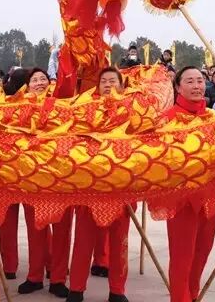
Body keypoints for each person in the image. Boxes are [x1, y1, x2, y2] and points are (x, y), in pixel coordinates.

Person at [67, 67, 131, 302]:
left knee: (119, 242)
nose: (108, 84)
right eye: (103, 81)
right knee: (83, 240)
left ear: (121, 86)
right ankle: (76, 289)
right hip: (90, 187)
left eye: (113, 80)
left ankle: (117, 291)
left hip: (120, 188)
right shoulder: (86, 109)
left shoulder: (131, 111)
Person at [162, 66, 215, 302]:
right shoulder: (167, 119)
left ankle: (193, 295)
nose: (197, 86)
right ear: (178, 87)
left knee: (202, 253)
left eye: (200, 80)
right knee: (182, 257)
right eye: (190, 81)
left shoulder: (214, 118)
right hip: (181, 200)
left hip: (211, 197)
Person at [17, 67, 71, 298]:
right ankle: (35, 276)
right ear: (27, 85)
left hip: (60, 179)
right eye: (34, 80)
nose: (39, 83)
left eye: (43, 79)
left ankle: (58, 278)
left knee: (62, 231)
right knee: (35, 230)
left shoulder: (63, 106)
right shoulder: (20, 108)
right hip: (33, 179)